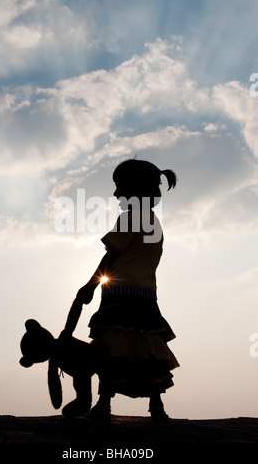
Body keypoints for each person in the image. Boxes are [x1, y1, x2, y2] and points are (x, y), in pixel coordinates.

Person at [76, 158, 179, 422]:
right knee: (147, 348)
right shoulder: (153, 221)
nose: (116, 194)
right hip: (146, 296)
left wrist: (90, 285)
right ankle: (156, 407)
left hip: (119, 295)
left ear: (134, 188)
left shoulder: (131, 217)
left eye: (119, 187)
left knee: (111, 347)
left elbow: (111, 257)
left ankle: (103, 406)